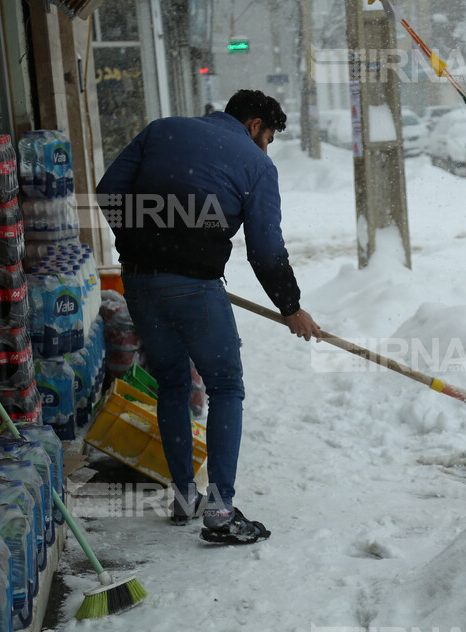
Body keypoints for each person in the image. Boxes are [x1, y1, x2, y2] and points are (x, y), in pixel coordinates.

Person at [96, 89, 323, 544]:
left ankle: (183, 498)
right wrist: (291, 307)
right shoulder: (256, 164)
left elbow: (107, 192)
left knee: (174, 383)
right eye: (269, 138)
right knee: (225, 386)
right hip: (195, 287)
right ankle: (220, 510)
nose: (265, 148)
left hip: (138, 280)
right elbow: (266, 249)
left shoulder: (162, 129)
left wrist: (145, 241)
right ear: (256, 125)